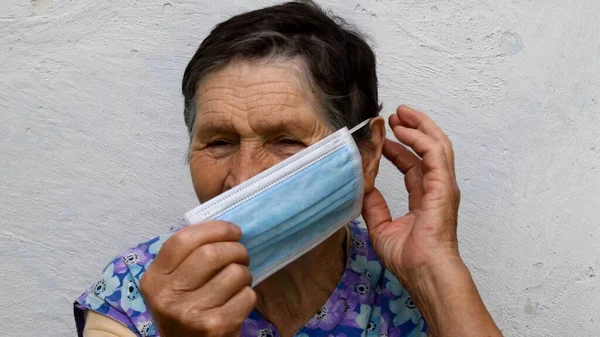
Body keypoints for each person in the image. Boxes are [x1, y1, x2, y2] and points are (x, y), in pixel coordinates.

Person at [74, 1, 502, 336]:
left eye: (286, 141)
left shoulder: (405, 283)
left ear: (366, 154)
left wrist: (434, 269)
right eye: (219, 142)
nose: (242, 177)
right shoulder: (137, 292)